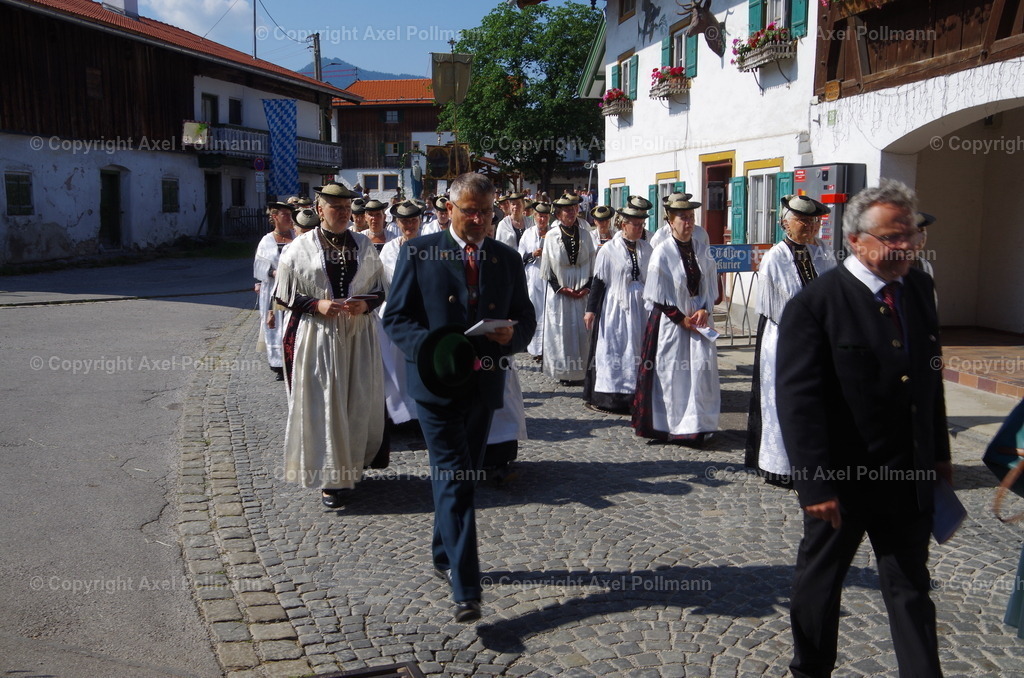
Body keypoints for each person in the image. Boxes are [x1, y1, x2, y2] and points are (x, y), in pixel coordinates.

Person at [777, 179, 949, 678]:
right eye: (892, 238)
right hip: (842, 483)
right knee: (821, 581)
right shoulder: (817, 304)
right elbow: (799, 402)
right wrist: (814, 484)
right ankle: (810, 670)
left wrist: (937, 454)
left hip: (907, 477)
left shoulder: (918, 288)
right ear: (855, 240)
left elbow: (927, 378)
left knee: (911, 587)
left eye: (910, 236)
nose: (905, 247)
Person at [383, 172, 536, 624]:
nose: (478, 219)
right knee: (456, 478)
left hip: (484, 385)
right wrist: (433, 349)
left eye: (486, 212)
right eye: (469, 210)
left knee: (455, 478)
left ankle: (440, 551)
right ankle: (466, 587)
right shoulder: (418, 252)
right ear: (448, 209)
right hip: (435, 387)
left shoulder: (506, 258)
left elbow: (526, 318)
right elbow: (397, 320)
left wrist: (512, 336)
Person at [272, 182, 388, 508]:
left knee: (356, 401)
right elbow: (282, 296)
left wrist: (366, 304)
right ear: (319, 210)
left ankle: (351, 467)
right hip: (318, 337)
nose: (341, 213)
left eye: (346, 207)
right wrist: (316, 305)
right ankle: (330, 480)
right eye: (334, 207)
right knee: (325, 403)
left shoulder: (364, 245)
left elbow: (380, 288)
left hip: (358, 336)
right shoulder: (299, 249)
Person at [744, 195, 837, 487]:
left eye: (813, 221)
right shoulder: (776, 257)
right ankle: (781, 465)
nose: (809, 226)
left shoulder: (824, 252)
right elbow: (777, 307)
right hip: (785, 340)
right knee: (783, 400)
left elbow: (834, 292)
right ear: (786, 223)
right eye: (803, 221)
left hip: (819, 340)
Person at [632, 194, 720, 444]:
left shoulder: (701, 250)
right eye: (683, 218)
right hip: (673, 323)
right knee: (674, 375)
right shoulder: (662, 253)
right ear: (671, 222)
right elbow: (656, 294)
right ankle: (673, 424)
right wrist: (681, 319)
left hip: (699, 321)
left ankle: (699, 423)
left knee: (700, 372)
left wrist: (704, 309)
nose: (688, 223)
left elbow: (709, 287)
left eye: (691, 218)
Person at [583, 201, 653, 414]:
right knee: (616, 350)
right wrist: (591, 310)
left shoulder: (647, 249)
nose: (639, 228)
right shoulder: (609, 250)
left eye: (641, 225)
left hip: (641, 308)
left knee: (637, 349)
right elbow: (599, 281)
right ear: (623, 224)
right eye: (635, 225)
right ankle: (611, 397)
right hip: (616, 309)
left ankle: (637, 395)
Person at [377, 200, 425, 426]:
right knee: (394, 363)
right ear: (397, 222)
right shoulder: (390, 248)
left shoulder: (429, 246)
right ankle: (396, 411)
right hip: (397, 310)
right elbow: (395, 279)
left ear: (420, 221)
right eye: (405, 221)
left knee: (420, 362)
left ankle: (419, 413)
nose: (409, 225)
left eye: (413, 220)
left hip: (423, 311)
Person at [541, 195, 598, 385]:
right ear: (558, 214)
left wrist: (586, 286)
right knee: (563, 331)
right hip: (561, 292)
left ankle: (581, 371)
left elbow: (592, 263)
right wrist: (561, 288)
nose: (572, 213)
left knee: (582, 332)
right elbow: (547, 268)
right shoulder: (551, 236)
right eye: (567, 210)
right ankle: (564, 371)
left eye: (574, 209)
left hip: (581, 290)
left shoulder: (585, 234)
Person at [254, 201, 295, 380]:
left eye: (289, 214)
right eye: (284, 214)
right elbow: (258, 266)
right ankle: (278, 364)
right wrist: (272, 272)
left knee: (292, 324)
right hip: (272, 289)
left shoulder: (296, 236)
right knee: (275, 325)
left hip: (293, 288)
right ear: (275, 217)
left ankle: (293, 360)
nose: (288, 217)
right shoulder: (266, 240)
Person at [519, 202, 552, 361]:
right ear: (534, 217)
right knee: (535, 312)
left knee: (548, 313)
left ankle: (548, 348)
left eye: (545, 216)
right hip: (533, 277)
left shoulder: (553, 233)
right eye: (540, 216)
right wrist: (533, 254)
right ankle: (535, 348)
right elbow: (521, 257)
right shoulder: (528, 234)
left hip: (549, 278)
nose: (542, 219)